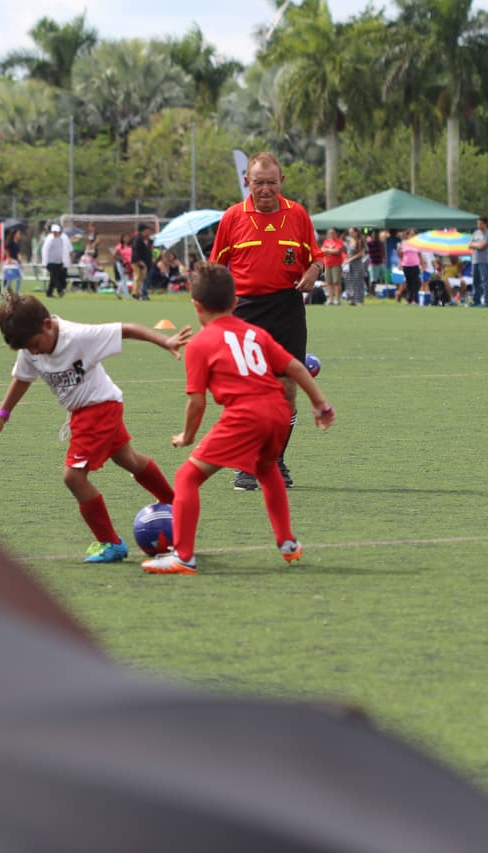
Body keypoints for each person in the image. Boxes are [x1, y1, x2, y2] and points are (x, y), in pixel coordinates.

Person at [141, 263, 335, 575]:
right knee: (267, 467)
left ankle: (184, 557)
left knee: (186, 478)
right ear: (235, 303)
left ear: (196, 306)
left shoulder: (200, 344)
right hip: (278, 412)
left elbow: (197, 402)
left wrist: (187, 435)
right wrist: (321, 406)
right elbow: (297, 368)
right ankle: (287, 543)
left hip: (246, 416)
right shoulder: (256, 333)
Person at [0, 293, 192, 564]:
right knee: (129, 460)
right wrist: (2, 415)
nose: (34, 352)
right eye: (27, 349)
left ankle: (111, 543)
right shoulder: (29, 347)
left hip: (98, 409)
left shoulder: (78, 336)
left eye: (35, 345)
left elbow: (125, 329)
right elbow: (22, 377)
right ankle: (178, 507)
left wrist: (165, 341)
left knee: (73, 477)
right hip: (95, 408)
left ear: (47, 324)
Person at [209, 151, 323, 491]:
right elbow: (216, 266)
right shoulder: (232, 218)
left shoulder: (298, 215)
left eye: (272, 182)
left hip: (287, 308)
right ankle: (246, 465)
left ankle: (274, 459)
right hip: (245, 311)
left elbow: (315, 258)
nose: (265, 189)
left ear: (281, 182)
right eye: (258, 182)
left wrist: (314, 271)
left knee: (287, 390)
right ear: (247, 182)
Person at [41, 223, 73, 298]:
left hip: (58, 262)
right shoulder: (49, 239)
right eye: (54, 232)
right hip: (50, 262)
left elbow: (62, 251)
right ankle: (60, 290)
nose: (55, 233)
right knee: (55, 277)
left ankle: (49, 292)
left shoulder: (61, 239)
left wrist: (63, 261)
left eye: (57, 231)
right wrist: (44, 262)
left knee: (53, 278)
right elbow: (45, 250)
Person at [468, 217, 488, 307]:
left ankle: (487, 302)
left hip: (484, 260)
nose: (479, 225)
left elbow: (482, 246)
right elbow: (469, 245)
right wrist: (476, 245)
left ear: (485, 224)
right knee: (476, 282)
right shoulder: (475, 233)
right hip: (475, 260)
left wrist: (475, 245)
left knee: (485, 282)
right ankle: (476, 301)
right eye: (478, 223)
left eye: (480, 223)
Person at [342, 226, 367, 306]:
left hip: (357, 263)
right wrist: (346, 260)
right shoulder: (348, 240)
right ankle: (351, 299)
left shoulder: (360, 240)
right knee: (349, 280)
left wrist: (350, 259)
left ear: (356, 232)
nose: (350, 233)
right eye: (350, 232)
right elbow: (346, 252)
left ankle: (360, 300)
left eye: (352, 232)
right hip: (349, 264)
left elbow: (361, 253)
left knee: (358, 281)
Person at [320, 228, 345, 305]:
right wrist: (330, 250)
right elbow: (322, 249)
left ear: (336, 233)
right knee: (329, 282)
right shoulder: (326, 241)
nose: (331, 234)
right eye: (330, 233)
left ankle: (337, 299)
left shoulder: (339, 241)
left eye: (333, 232)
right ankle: (330, 299)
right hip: (327, 264)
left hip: (336, 264)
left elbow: (337, 251)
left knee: (336, 282)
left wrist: (327, 250)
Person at [131, 223, 155, 301]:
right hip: (138, 261)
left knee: (142, 278)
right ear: (142, 231)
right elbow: (135, 251)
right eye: (147, 231)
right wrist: (138, 261)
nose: (148, 232)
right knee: (137, 277)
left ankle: (139, 293)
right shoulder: (138, 239)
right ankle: (135, 293)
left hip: (146, 262)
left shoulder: (148, 240)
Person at [364, 228, 387, 296]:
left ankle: (377, 292)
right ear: (372, 235)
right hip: (373, 263)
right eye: (374, 234)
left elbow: (383, 251)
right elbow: (365, 249)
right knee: (373, 280)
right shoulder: (369, 243)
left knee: (384, 278)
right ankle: (371, 293)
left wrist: (383, 258)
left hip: (381, 262)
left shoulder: (380, 242)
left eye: (377, 234)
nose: (376, 235)